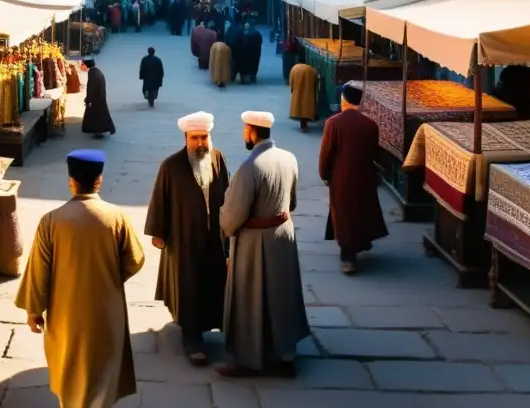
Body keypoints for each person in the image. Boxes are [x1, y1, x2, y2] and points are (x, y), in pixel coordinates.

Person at [16, 149, 144, 408]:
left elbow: (39, 271)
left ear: (71, 181)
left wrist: (33, 310)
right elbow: (135, 260)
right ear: (100, 181)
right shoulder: (116, 217)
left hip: (66, 315)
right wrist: (108, 277)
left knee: (70, 374)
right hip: (107, 313)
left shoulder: (51, 221)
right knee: (103, 373)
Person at [218, 111, 308, 378]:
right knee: (282, 294)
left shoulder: (250, 167)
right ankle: (286, 355)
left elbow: (233, 215)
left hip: (254, 242)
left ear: (252, 132)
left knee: (250, 296)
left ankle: (247, 359)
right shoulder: (289, 158)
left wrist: (225, 228)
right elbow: (291, 202)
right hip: (283, 235)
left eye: (246, 129)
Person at [144, 111, 230, 366]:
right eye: (195, 138)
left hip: (214, 238)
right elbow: (160, 199)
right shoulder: (171, 165)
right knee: (189, 287)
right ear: (186, 138)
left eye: (204, 137)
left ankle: (213, 328)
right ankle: (192, 341)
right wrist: (158, 233)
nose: (201, 143)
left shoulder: (217, 158)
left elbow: (227, 190)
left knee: (214, 284)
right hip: (183, 239)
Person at [318, 82, 388, 274]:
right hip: (365, 176)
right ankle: (358, 246)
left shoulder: (333, 123)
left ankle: (348, 257)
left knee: (344, 214)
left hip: (341, 177)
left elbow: (326, 154)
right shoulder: (370, 124)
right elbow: (375, 153)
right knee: (360, 211)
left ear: (343, 100)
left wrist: (324, 174)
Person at [83, 59, 116, 138]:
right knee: (102, 115)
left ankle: (98, 132)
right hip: (99, 97)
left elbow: (91, 87)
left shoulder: (92, 73)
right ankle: (101, 130)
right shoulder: (97, 71)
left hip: (96, 99)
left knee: (97, 117)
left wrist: (88, 99)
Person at [288, 61, 319, 131]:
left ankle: (302, 123)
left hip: (297, 91)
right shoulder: (311, 70)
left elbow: (291, 80)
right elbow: (316, 82)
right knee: (305, 108)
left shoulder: (294, 68)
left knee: (298, 106)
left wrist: (292, 89)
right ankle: (304, 123)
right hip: (308, 93)